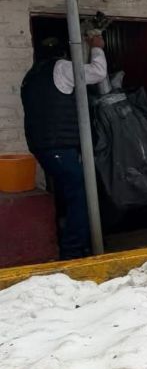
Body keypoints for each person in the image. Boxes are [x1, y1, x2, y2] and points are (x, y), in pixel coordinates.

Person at [20, 31, 108, 259]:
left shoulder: (31, 75)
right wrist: (97, 47)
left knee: (68, 192)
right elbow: (97, 73)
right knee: (80, 193)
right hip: (59, 146)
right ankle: (74, 250)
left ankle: (74, 240)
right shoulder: (61, 67)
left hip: (43, 147)